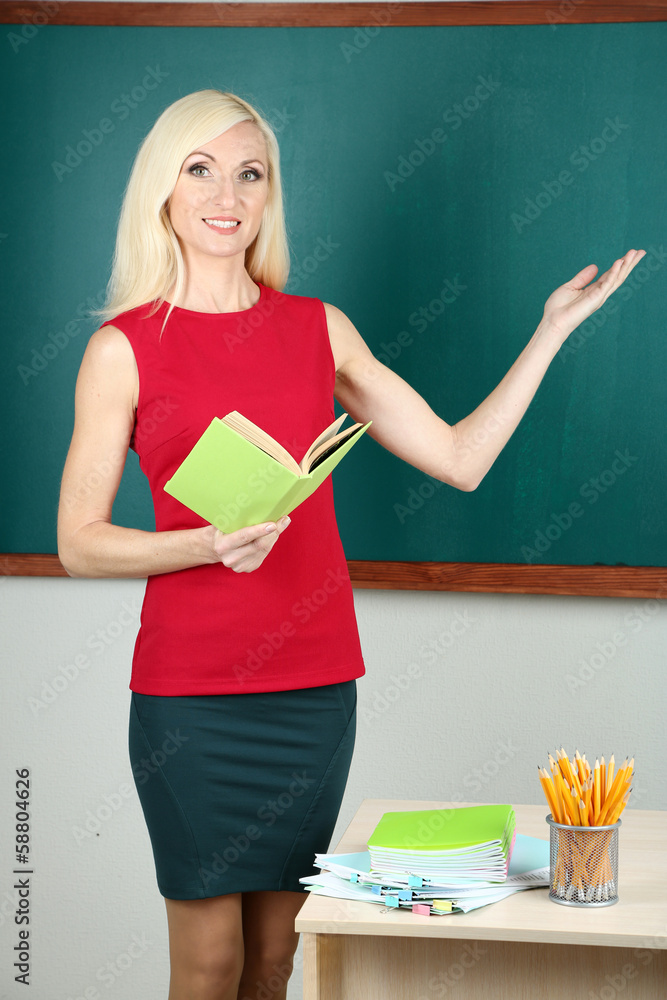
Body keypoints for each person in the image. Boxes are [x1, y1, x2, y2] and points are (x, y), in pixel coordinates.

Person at [56, 88, 644, 1000]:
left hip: (313, 690)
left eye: (250, 173)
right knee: (209, 966)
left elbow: (460, 460)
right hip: (191, 702)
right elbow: (79, 544)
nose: (226, 195)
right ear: (162, 189)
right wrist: (207, 544)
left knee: (277, 959)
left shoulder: (317, 328)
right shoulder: (123, 349)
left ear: (270, 194)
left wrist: (550, 331)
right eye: (200, 170)